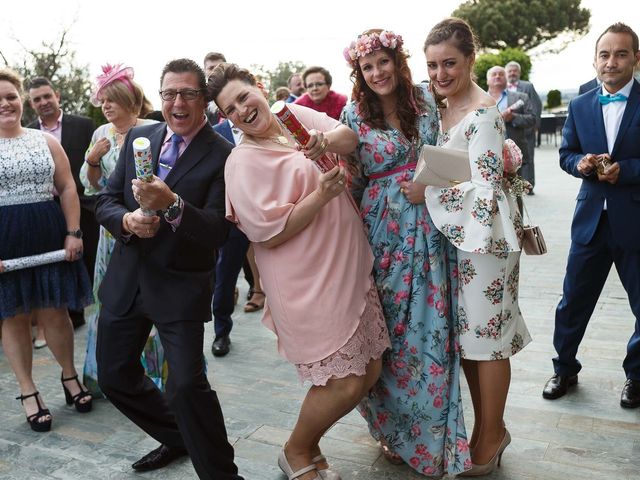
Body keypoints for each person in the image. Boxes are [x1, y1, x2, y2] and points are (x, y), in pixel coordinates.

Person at [209, 62, 389, 480]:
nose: (241, 110)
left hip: (347, 264)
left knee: (371, 367)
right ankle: (296, 451)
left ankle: (310, 447)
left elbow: (348, 137)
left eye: (243, 97)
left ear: (259, 86)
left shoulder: (292, 116)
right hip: (306, 281)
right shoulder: (241, 162)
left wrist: (324, 138)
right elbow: (265, 234)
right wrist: (321, 196)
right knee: (343, 381)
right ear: (227, 119)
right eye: (230, 109)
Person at [94, 58, 242, 479]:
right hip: (127, 279)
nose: (177, 102)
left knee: (186, 386)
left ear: (204, 101)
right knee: (114, 376)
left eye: (188, 94)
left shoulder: (223, 155)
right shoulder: (141, 137)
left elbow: (216, 231)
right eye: (169, 93)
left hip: (180, 284)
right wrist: (125, 221)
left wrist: (172, 205)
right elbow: (106, 199)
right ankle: (178, 437)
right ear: (159, 97)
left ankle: (221, 474)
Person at [340, 29, 470, 476]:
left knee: (432, 332)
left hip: (433, 229)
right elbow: (351, 181)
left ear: (397, 60)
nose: (377, 72)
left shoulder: (427, 100)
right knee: (391, 336)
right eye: (367, 66)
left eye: (383, 62)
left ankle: (432, 436)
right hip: (382, 235)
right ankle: (393, 429)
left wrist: (430, 185)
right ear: (359, 72)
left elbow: (456, 157)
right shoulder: (353, 114)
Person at [416, 18, 531, 476]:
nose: (440, 74)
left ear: (470, 61)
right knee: (470, 343)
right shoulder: (441, 108)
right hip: (458, 240)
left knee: (488, 343)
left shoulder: (482, 115)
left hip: (486, 242)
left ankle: (491, 433)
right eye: (432, 65)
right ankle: (487, 427)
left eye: (449, 63)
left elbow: (486, 189)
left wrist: (423, 190)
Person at [542, 23, 640, 409]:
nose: (611, 62)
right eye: (604, 54)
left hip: (634, 222)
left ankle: (636, 376)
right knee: (572, 302)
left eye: (620, 54)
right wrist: (578, 163)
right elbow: (566, 152)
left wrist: (627, 171)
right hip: (589, 222)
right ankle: (564, 368)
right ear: (595, 60)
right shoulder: (581, 103)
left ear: (636, 58)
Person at [0, 68, 93, 433]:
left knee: (56, 312)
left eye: (9, 96)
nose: (4, 104)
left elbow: (68, 187)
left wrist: (73, 232)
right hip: (4, 245)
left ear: (20, 98)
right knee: (13, 317)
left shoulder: (45, 141)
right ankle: (27, 391)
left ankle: (70, 377)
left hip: (50, 237)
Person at [79, 63, 165, 396]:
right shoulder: (100, 136)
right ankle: (108, 371)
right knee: (111, 299)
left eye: (112, 99)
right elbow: (93, 189)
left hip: (148, 227)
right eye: (103, 101)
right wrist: (92, 161)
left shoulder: (152, 130)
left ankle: (157, 374)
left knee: (149, 298)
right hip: (111, 231)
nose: (106, 106)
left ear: (130, 99)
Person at [27, 77, 97, 330]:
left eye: (47, 96)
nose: (43, 102)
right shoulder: (26, 132)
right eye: (37, 99)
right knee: (56, 259)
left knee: (84, 255)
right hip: (45, 207)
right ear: (31, 103)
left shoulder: (83, 125)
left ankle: (80, 308)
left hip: (83, 203)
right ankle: (64, 312)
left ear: (57, 95)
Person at [487, 65, 536, 187]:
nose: (498, 76)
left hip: (514, 156)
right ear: (487, 80)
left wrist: (514, 117)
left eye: (501, 74)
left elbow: (532, 119)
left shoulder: (520, 97)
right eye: (494, 74)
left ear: (506, 78)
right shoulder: (479, 100)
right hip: (488, 153)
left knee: (516, 196)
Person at [505, 61, 542, 193]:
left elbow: (537, 105)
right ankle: (512, 186)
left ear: (519, 73)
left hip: (526, 130)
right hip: (508, 132)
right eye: (510, 71)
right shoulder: (502, 88)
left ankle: (529, 186)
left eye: (515, 70)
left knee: (528, 159)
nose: (512, 73)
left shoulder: (528, 86)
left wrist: (535, 125)